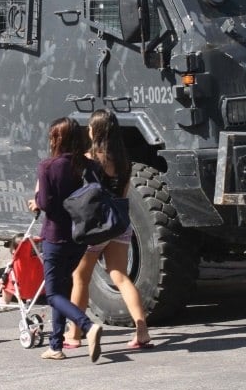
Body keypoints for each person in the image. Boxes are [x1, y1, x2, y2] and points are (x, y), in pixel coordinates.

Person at [66, 109, 153, 350]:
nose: (88, 130)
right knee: (120, 276)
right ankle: (142, 330)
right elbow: (123, 194)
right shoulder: (125, 161)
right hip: (120, 223)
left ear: (97, 130)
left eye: (91, 126)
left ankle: (74, 333)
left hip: (96, 226)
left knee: (80, 277)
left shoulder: (89, 159)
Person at [27, 117, 103, 362]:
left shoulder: (48, 166)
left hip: (55, 235)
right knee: (62, 288)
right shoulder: (88, 166)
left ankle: (87, 326)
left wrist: (35, 202)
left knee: (52, 294)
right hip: (80, 237)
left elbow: (47, 204)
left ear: (57, 139)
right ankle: (56, 345)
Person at [0, 233, 24, 306]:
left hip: (19, 285)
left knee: (8, 279)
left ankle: (5, 301)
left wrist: (2, 278)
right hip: (34, 287)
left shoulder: (16, 263)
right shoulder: (35, 261)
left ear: (14, 250)